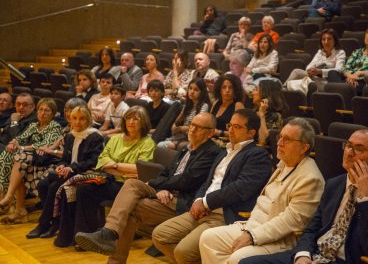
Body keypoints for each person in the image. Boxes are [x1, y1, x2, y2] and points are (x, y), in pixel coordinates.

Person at [240, 129, 368, 264]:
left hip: (345, 259)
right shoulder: (334, 184)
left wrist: (367, 199)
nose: (349, 153)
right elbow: (313, 227)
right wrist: (303, 255)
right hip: (314, 255)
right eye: (348, 146)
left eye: (359, 149)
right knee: (246, 263)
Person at [74, 113, 222, 262]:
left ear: (210, 133)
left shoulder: (211, 152)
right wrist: (161, 189)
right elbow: (164, 173)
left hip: (183, 202)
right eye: (192, 125)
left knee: (130, 208)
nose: (192, 129)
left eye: (198, 127)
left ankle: (111, 246)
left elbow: (186, 181)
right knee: (132, 184)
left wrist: (154, 185)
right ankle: (108, 233)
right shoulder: (186, 149)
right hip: (168, 192)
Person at [152, 108, 273, 264]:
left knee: (183, 252)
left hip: (223, 213)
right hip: (201, 209)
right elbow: (207, 181)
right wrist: (198, 200)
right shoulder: (224, 151)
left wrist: (206, 202)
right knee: (160, 235)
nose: (230, 130)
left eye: (237, 127)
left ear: (251, 132)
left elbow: (239, 189)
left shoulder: (257, 155)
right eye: (230, 125)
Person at [199, 118, 325, 264]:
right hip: (252, 226)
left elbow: (290, 222)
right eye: (280, 137)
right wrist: (250, 232)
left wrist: (252, 236)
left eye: (287, 140)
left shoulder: (310, 178)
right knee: (208, 238)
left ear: (304, 148)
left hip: (278, 239)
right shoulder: (284, 163)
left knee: (238, 258)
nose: (279, 143)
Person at [53, 106, 156, 247]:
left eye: (136, 119)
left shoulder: (147, 143)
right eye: (128, 118)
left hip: (128, 186)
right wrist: (120, 168)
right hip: (108, 179)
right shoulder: (115, 140)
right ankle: (84, 237)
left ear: (143, 122)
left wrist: (114, 166)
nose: (131, 121)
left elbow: (139, 169)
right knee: (83, 189)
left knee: (87, 189)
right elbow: (101, 161)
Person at [26, 106, 104, 239]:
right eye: (74, 118)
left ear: (88, 120)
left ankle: (47, 224)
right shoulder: (70, 136)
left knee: (53, 187)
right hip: (70, 172)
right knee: (43, 184)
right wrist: (61, 166)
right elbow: (64, 159)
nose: (78, 122)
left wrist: (72, 168)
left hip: (85, 172)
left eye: (82, 119)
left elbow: (93, 161)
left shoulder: (94, 136)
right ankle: (53, 220)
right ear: (70, 120)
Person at [0, 98, 62, 223]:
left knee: (19, 159)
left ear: (53, 113)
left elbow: (44, 145)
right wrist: (13, 143)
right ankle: (18, 207)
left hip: (47, 160)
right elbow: (20, 137)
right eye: (40, 110)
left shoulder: (54, 126)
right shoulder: (34, 125)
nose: (43, 113)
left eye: (46, 110)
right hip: (29, 158)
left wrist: (22, 147)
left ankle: (9, 197)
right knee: (9, 154)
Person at [328, 25, 368, 94]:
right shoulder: (357, 52)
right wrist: (350, 76)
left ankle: (341, 89)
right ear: (365, 36)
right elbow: (345, 67)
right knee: (332, 73)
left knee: (337, 87)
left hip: (364, 82)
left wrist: (359, 74)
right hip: (349, 79)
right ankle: (344, 89)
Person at [158, 78, 210, 150]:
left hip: (193, 138)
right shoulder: (187, 105)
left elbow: (198, 127)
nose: (192, 92)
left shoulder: (204, 106)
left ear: (202, 92)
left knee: (176, 146)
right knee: (160, 145)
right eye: (190, 88)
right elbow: (175, 124)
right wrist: (175, 128)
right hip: (180, 137)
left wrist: (182, 129)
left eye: (196, 90)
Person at [252, 80, 288, 146]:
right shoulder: (252, 113)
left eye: (256, 90)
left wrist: (262, 115)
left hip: (260, 153)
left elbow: (263, 141)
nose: (252, 93)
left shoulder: (275, 117)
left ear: (265, 93)